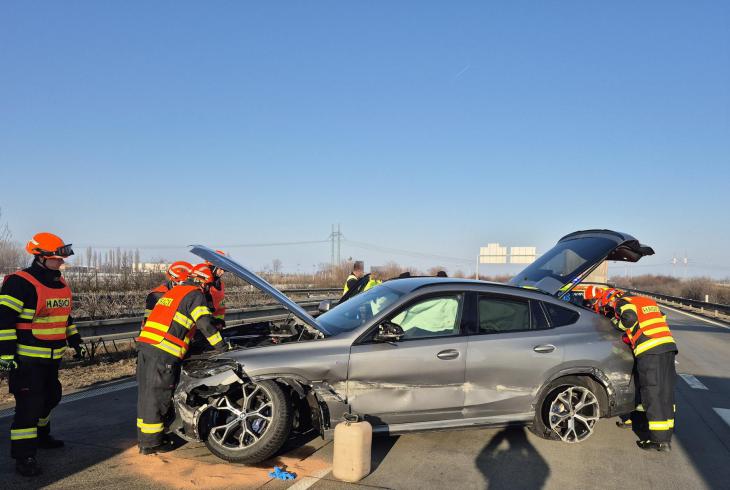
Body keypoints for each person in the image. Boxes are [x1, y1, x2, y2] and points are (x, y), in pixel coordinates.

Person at [0, 232, 86, 476]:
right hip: (26, 359)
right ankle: (24, 456)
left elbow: (65, 318)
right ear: (41, 257)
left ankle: (41, 436)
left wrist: (76, 341)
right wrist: (5, 354)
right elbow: (4, 320)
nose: (61, 261)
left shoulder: (60, 284)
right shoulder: (20, 282)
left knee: (52, 396)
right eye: (57, 258)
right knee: (29, 407)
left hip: (52, 357)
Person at [135, 263, 230, 455]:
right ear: (203, 282)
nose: (207, 290)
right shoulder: (195, 294)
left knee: (147, 395)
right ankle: (152, 443)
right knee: (159, 397)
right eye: (207, 286)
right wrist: (222, 347)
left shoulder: (175, 292)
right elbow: (205, 325)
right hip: (163, 350)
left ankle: (146, 439)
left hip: (146, 347)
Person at [613, 293, 677, 452]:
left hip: (649, 349)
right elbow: (662, 317)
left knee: (652, 392)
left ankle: (659, 441)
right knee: (665, 391)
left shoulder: (624, 302)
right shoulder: (647, 302)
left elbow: (628, 319)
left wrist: (616, 322)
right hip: (668, 346)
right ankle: (663, 432)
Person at [142, 261, 193, 326]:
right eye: (187, 283)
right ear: (177, 281)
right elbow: (147, 319)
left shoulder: (191, 294)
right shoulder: (157, 295)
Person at [206, 250, 227, 330]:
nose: (223, 272)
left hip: (215, 326)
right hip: (202, 326)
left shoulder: (221, 285)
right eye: (220, 269)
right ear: (213, 268)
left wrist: (220, 321)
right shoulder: (202, 284)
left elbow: (221, 306)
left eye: (224, 270)